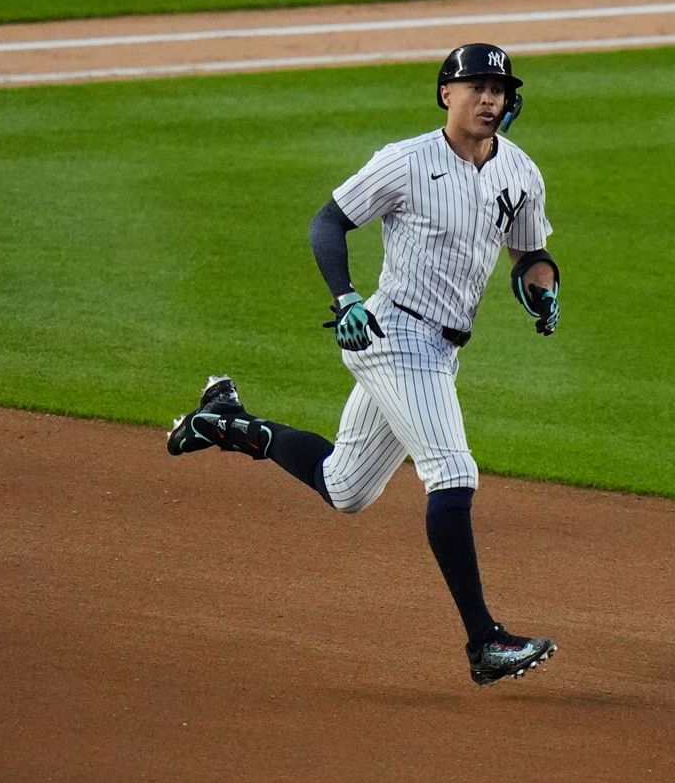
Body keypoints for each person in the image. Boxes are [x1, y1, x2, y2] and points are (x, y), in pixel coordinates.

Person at [167, 43, 562, 687]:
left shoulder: (521, 172)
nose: (490, 99)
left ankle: (225, 421)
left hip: (442, 349)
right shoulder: (405, 161)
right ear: (447, 94)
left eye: (499, 89)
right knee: (452, 471)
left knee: (347, 488)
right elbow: (327, 222)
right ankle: (484, 642)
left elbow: (530, 253)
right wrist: (345, 298)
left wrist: (543, 288)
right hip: (392, 332)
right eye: (476, 87)